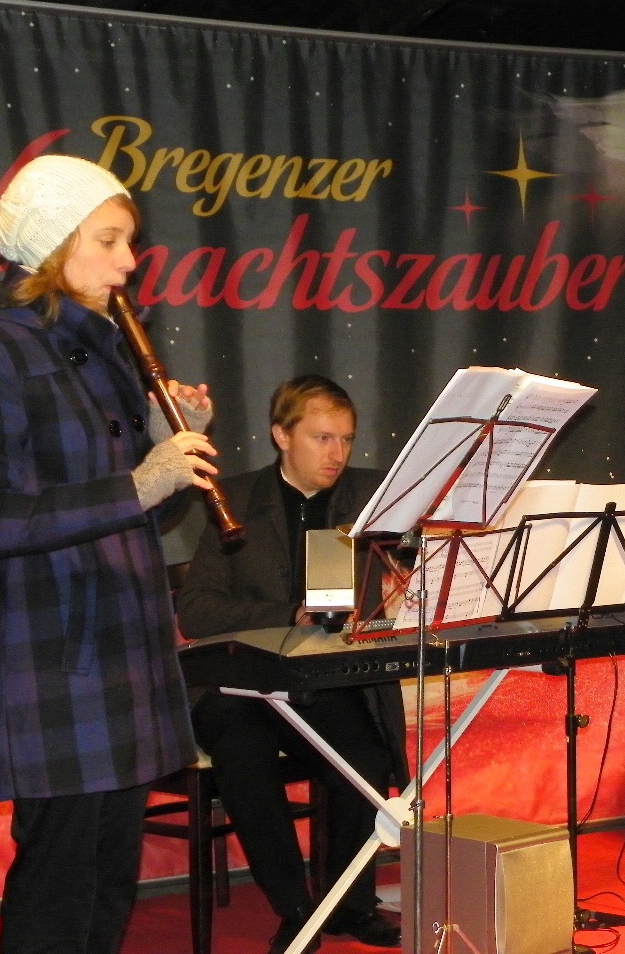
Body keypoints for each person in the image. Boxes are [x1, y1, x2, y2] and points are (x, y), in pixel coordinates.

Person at [0, 154, 219, 953]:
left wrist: (166, 457)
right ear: (52, 243)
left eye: (129, 241)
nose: (129, 261)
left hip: (123, 648)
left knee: (109, 881)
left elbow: (133, 514)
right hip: (54, 655)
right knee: (60, 885)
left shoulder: (106, 347)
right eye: (109, 240)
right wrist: (140, 482)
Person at [178, 374, 407, 953]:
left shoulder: (372, 496)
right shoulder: (232, 497)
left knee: (364, 757)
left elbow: (419, 560)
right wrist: (288, 614)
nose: (338, 454)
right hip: (238, 684)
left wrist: (409, 582)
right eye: (322, 438)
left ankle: (348, 905)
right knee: (244, 752)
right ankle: (295, 908)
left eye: (346, 439)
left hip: (322, 681)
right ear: (282, 435)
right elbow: (196, 610)